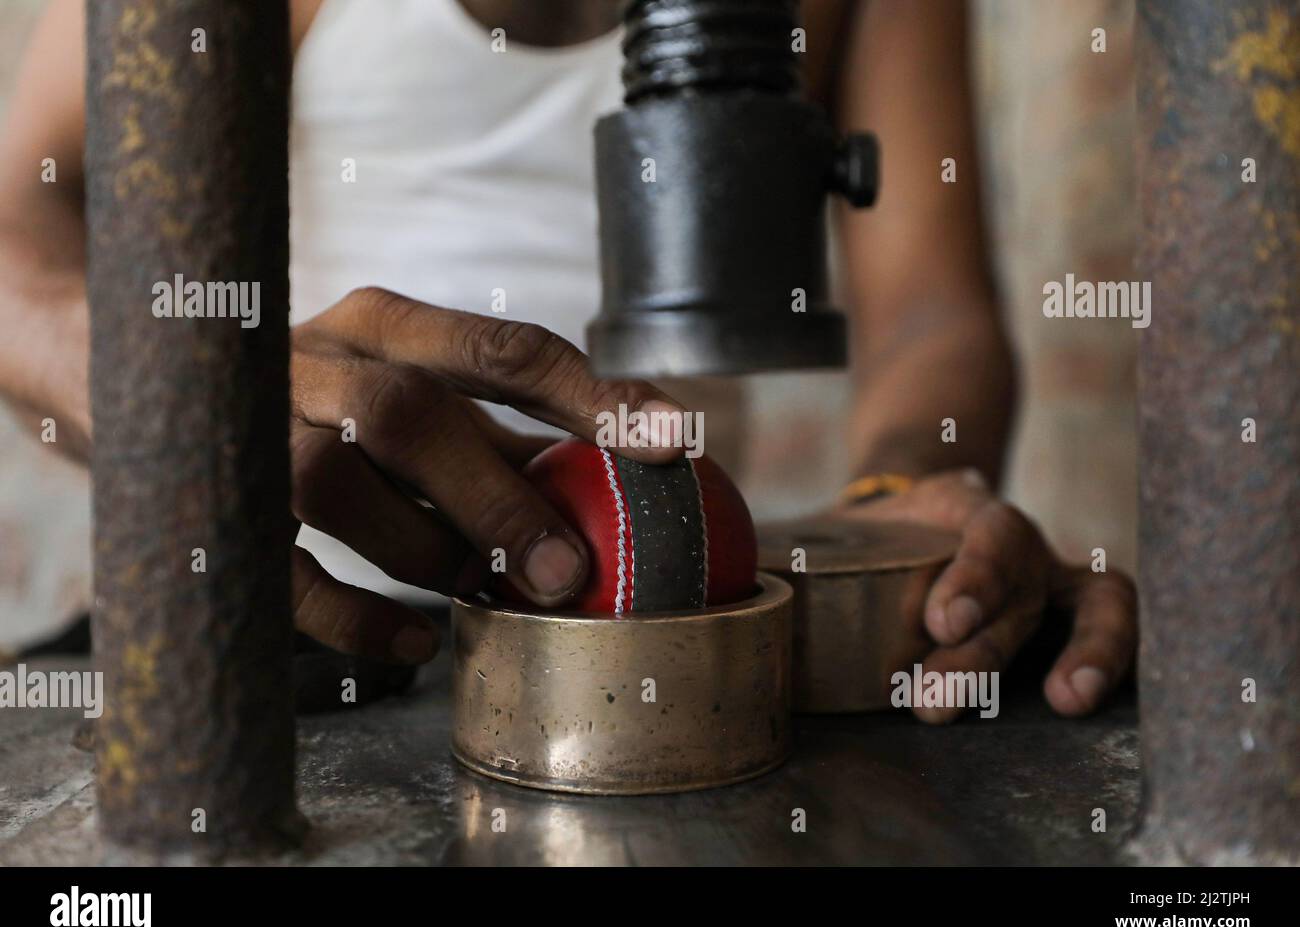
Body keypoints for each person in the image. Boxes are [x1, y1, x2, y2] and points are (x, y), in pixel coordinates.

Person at [0, 0, 1136, 722]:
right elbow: (17, 226)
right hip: (303, 598)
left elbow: (927, 316)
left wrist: (898, 503)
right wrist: (201, 401)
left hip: (655, 640)